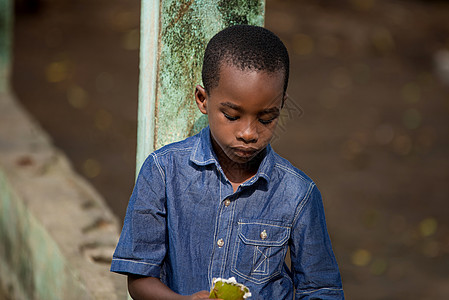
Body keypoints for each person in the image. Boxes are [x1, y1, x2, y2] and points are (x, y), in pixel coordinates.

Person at [110, 24, 344, 300]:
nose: (248, 133)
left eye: (266, 118)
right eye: (232, 116)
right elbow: (139, 278)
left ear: (281, 105)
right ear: (203, 99)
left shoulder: (298, 194)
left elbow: (321, 290)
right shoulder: (163, 171)